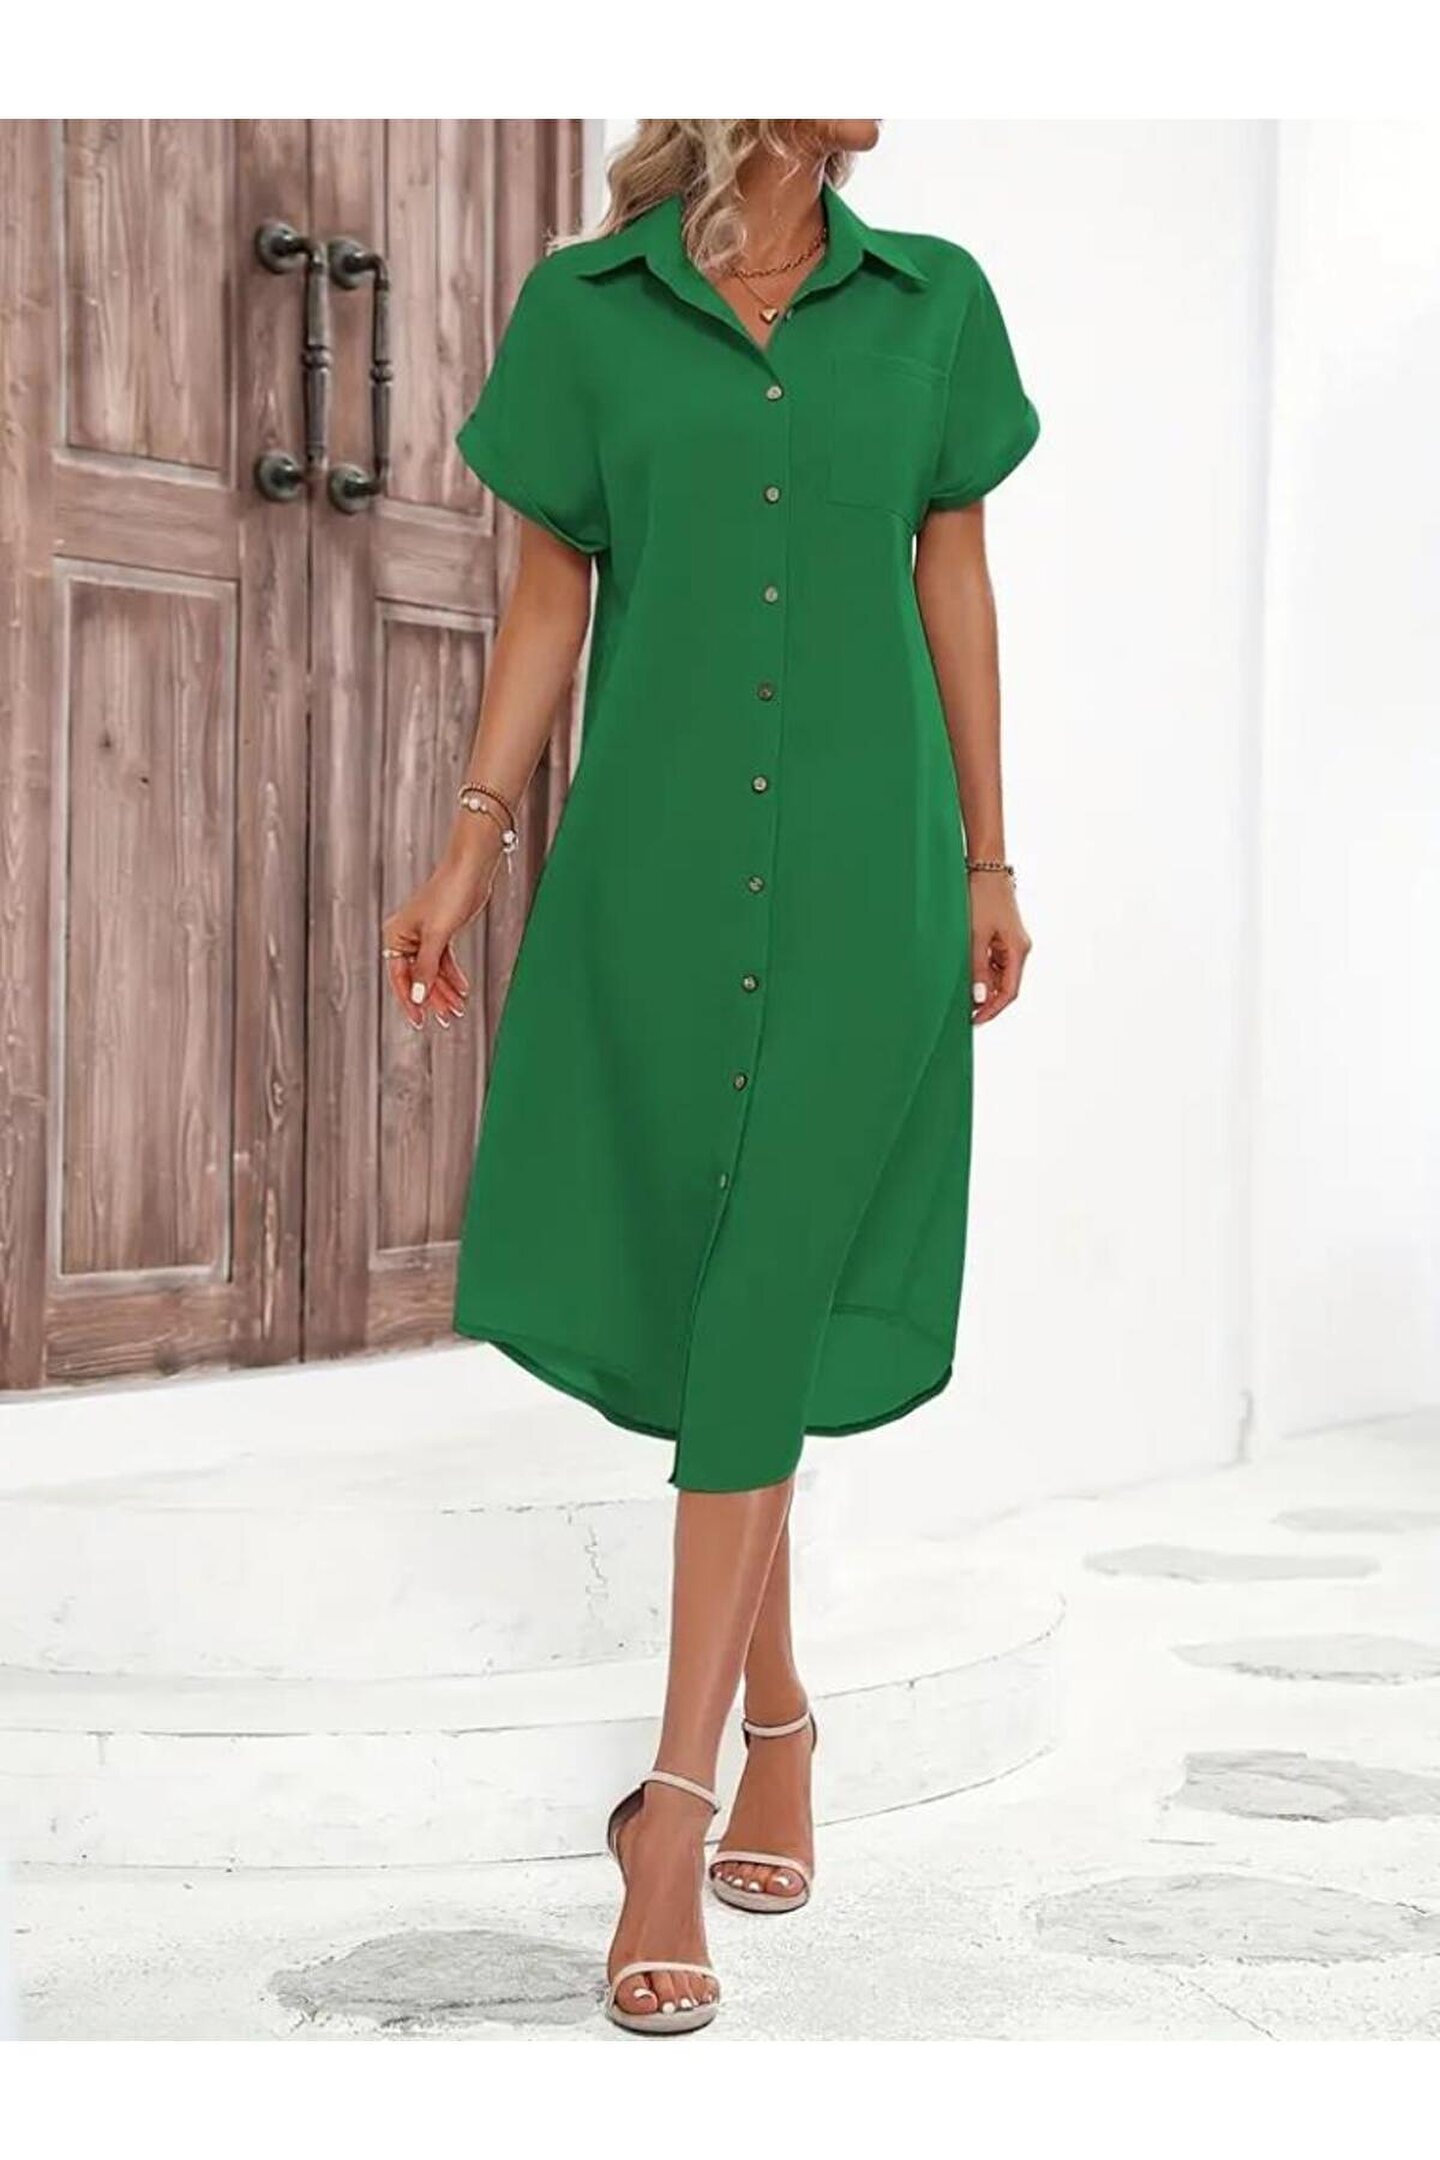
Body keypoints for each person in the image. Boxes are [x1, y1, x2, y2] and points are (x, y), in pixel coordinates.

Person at [382, 118, 1039, 2036]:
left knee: (771, 1288)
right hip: (656, 864)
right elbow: (549, 599)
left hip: (869, 869)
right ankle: (783, 1720)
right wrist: (473, 840)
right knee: (709, 1292)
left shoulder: (933, 305)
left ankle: (665, 1819)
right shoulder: (588, 308)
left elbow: (956, 585)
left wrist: (990, 859)